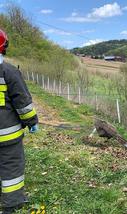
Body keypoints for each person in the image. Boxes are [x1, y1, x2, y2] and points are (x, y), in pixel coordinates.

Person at [0, 28, 39, 213]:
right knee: (11, 168)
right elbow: (23, 104)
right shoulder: (9, 72)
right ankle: (13, 203)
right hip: (7, 137)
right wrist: (32, 122)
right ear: (4, 46)